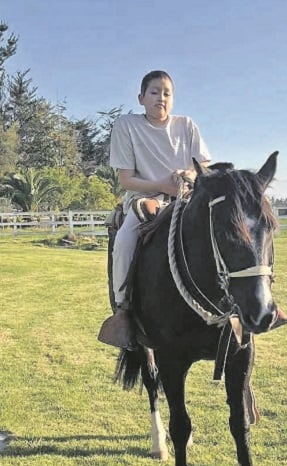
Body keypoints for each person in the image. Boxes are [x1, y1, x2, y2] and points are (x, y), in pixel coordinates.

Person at [98, 70, 211, 349]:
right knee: (125, 239)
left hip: (185, 198)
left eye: (167, 93)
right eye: (154, 92)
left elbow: (204, 167)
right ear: (141, 98)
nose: (161, 97)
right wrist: (161, 184)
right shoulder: (126, 125)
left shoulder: (187, 125)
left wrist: (187, 175)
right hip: (145, 199)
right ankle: (123, 311)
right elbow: (126, 179)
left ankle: (247, 302)